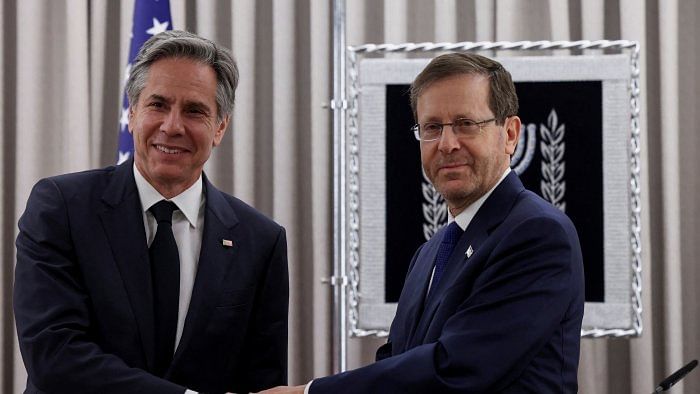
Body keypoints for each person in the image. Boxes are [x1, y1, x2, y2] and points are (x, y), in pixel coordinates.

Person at [263, 53, 584, 393]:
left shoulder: (538, 234)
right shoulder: (429, 254)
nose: (447, 144)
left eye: (465, 124)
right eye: (432, 128)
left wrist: (309, 392)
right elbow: (395, 363)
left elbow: (457, 368)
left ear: (510, 134)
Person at [14, 30, 288, 394]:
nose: (172, 126)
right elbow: (54, 355)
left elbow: (261, 384)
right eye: (158, 105)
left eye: (194, 111)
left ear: (220, 127)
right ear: (132, 113)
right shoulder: (61, 208)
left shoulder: (261, 241)